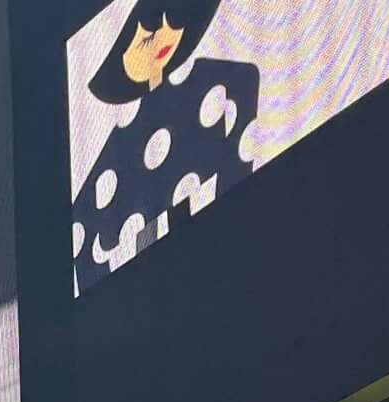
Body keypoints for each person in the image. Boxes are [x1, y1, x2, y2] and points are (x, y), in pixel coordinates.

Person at [72, 6, 259, 296]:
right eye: (146, 38)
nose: (165, 34)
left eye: (172, 20)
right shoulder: (119, 152)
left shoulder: (218, 81)